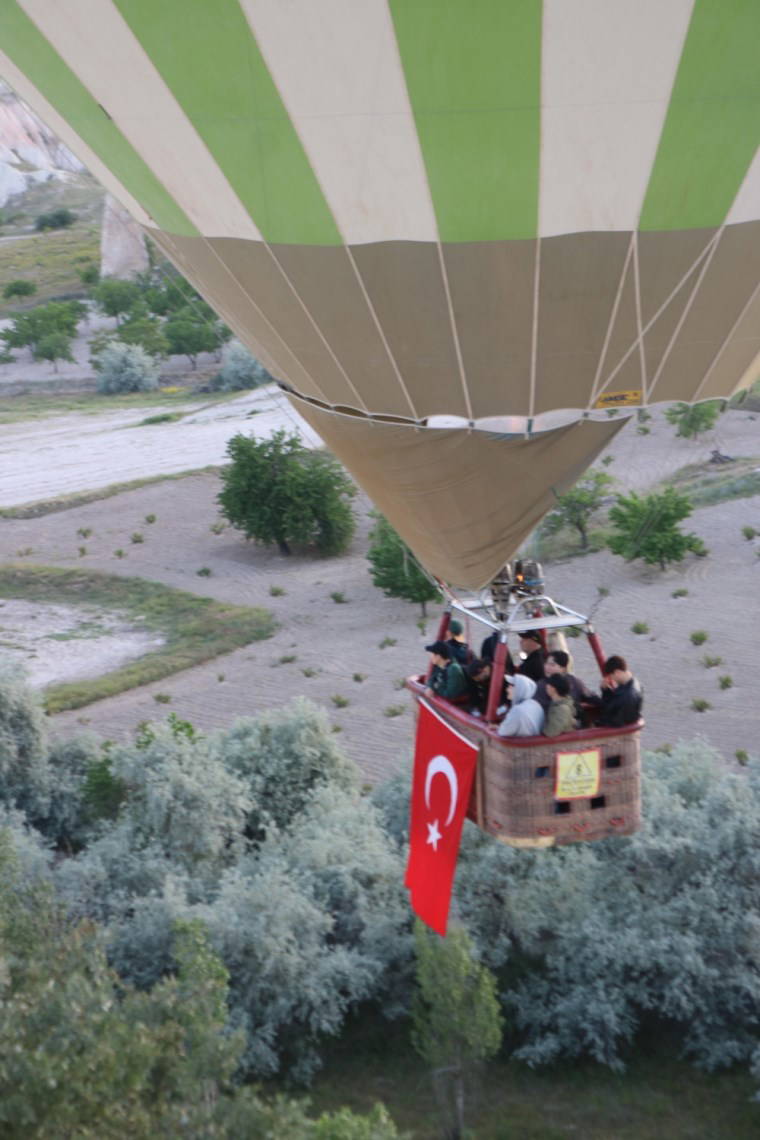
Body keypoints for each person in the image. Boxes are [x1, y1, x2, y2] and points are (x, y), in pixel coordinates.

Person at [590, 655, 643, 727]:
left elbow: (609, 718)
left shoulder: (625, 696)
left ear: (617, 672)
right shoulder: (637, 685)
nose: (612, 680)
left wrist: (605, 692)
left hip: (617, 732)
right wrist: (606, 691)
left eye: (611, 677)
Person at [543, 672, 577, 737]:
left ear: (553, 689)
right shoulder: (558, 704)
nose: (546, 686)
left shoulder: (562, 709)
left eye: (548, 684)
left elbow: (551, 732)